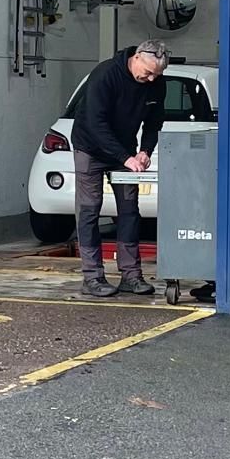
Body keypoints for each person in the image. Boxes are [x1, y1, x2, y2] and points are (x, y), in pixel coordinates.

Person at [70, 40, 169, 298]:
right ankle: (92, 277)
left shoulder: (156, 83)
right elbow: (95, 123)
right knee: (89, 210)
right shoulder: (105, 75)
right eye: (147, 73)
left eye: (156, 75)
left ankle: (131, 275)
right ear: (136, 57)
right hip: (90, 147)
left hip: (124, 149)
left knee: (129, 210)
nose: (150, 80)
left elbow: (154, 122)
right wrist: (126, 157)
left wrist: (145, 151)